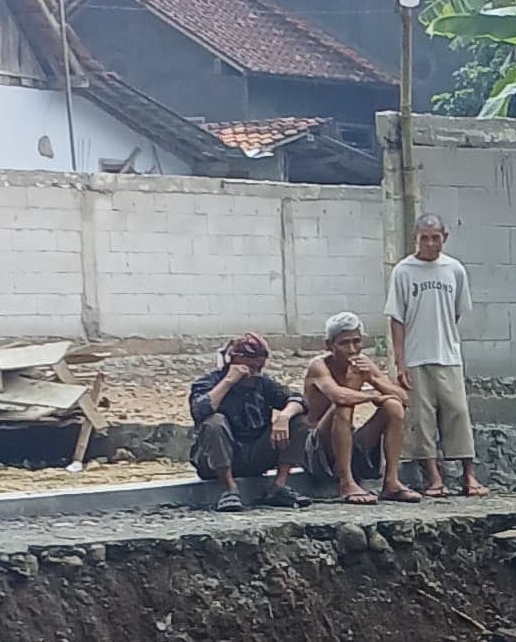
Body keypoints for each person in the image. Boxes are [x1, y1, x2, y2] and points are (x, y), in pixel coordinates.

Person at [388, 213, 485, 498]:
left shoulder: (455, 270)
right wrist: (400, 360)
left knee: (458, 413)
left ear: (445, 237)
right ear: (415, 239)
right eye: (424, 238)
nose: (430, 244)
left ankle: (469, 476)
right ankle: (434, 478)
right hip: (416, 357)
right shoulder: (403, 271)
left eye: (435, 238)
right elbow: (396, 318)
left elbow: (456, 312)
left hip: (449, 355)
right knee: (422, 419)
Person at [297, 311, 413, 505]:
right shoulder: (318, 365)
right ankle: (346, 483)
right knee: (342, 406)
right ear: (329, 345)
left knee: (393, 407)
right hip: (318, 447)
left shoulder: (363, 362)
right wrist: (373, 396)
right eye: (344, 343)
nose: (352, 349)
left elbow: (403, 397)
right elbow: (339, 396)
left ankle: (391, 482)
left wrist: (372, 379)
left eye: (356, 341)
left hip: (348, 436)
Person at [186, 332, 302, 512]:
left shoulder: (264, 384)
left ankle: (279, 486)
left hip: (255, 452)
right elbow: (200, 410)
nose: (254, 373)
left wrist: (284, 417)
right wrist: (228, 382)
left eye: (259, 367)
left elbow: (298, 400)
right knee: (214, 422)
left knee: (300, 421)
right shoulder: (208, 382)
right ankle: (228, 489)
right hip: (218, 456)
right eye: (250, 367)